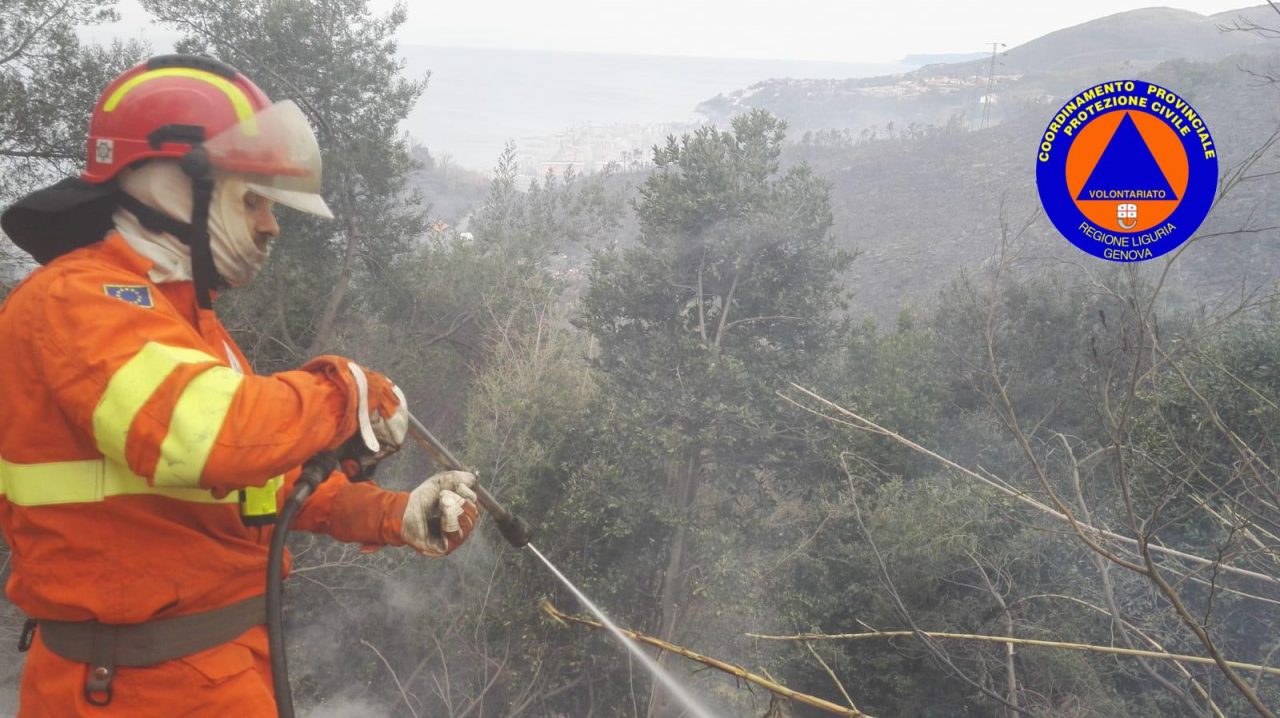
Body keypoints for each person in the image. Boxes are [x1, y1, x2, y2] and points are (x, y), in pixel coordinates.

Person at [0, 54, 479, 716]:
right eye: (251, 200)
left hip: (212, 673)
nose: (270, 225)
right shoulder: (75, 301)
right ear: (174, 184)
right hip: (136, 688)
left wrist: (391, 514)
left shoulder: (186, 326)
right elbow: (204, 439)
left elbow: (264, 482)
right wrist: (345, 393)